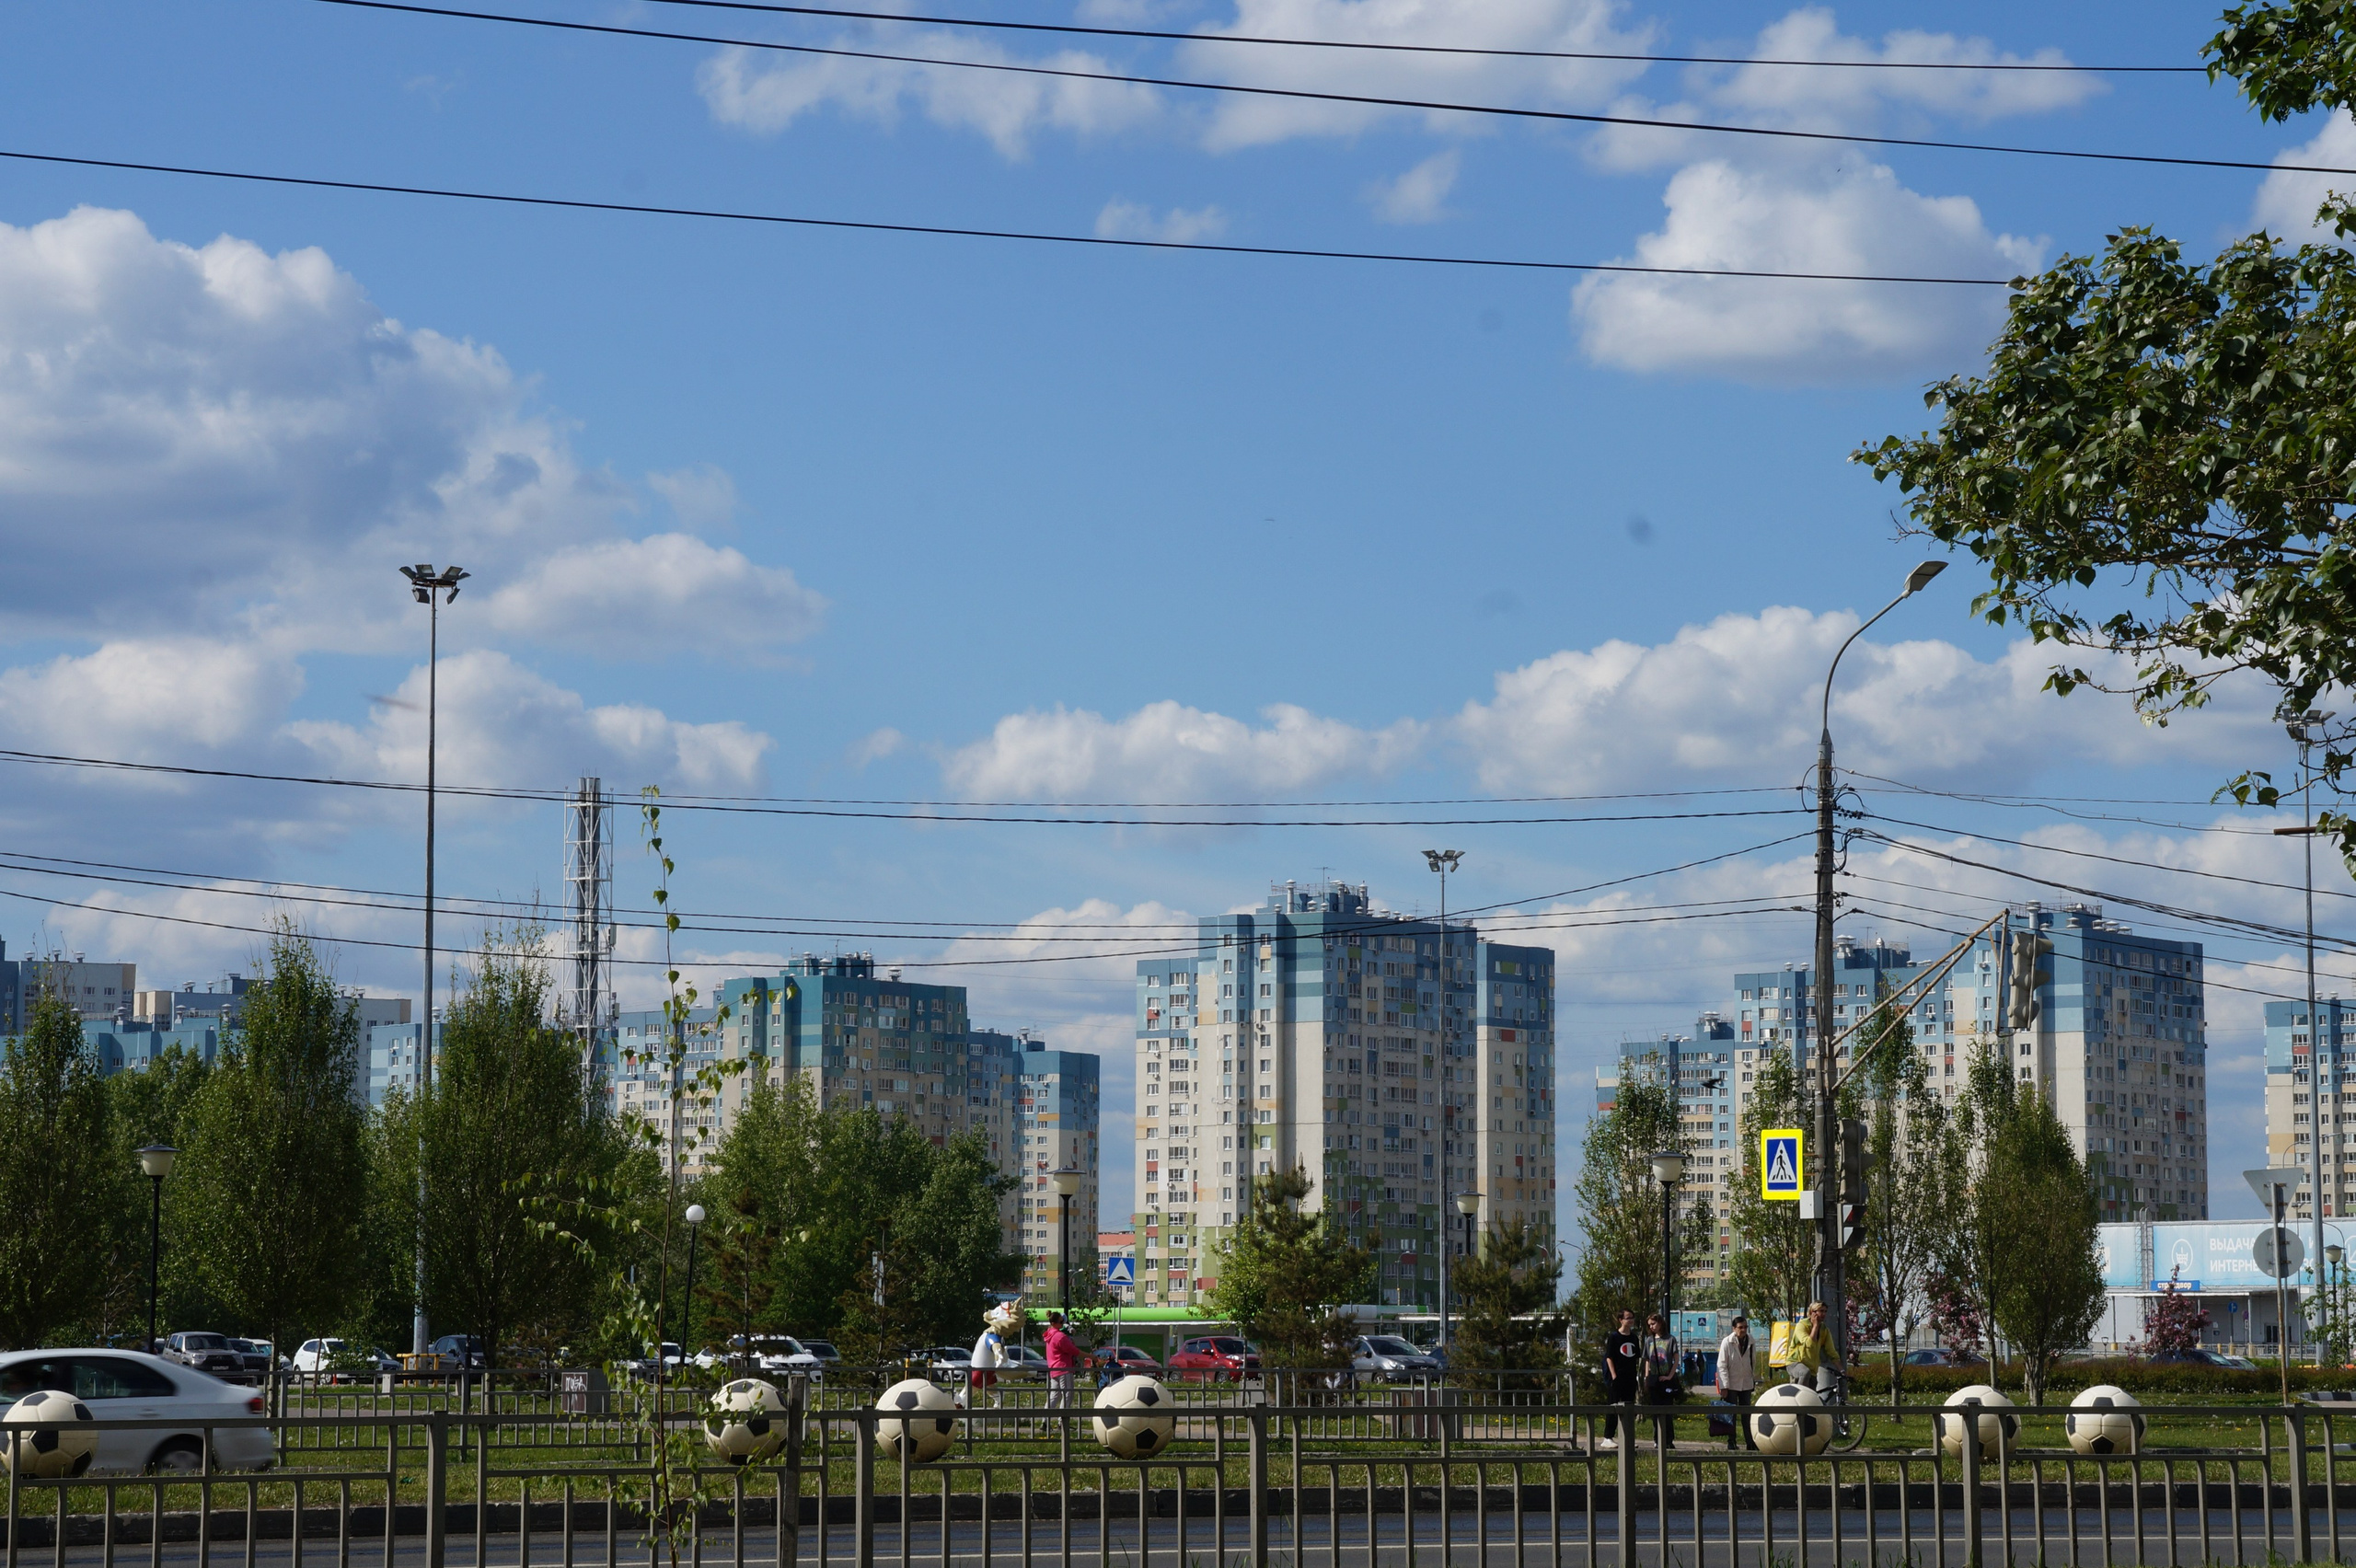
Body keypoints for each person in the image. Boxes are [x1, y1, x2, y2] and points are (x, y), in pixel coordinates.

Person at [1599, 1308, 1641, 1449]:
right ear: (1621, 1320)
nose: (1631, 1320)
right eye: (1628, 1318)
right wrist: (1614, 1375)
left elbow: (1636, 1357)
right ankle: (1608, 1437)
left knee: (1629, 1408)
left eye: (1632, 1317)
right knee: (1613, 1407)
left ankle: (1627, 1437)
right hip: (1617, 1378)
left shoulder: (1634, 1338)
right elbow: (1609, 1357)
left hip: (1630, 1378)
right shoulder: (1614, 1337)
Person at [1639, 1313, 1681, 1448]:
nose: (1651, 1327)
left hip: (1666, 1377)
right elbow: (1646, 1359)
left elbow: (1676, 1359)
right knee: (1655, 1411)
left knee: (1667, 1410)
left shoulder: (1670, 1339)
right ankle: (1657, 1438)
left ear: (1660, 1323)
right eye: (1649, 1325)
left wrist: (1670, 1375)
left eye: (1653, 1324)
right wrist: (1647, 1377)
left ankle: (1669, 1439)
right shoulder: (1649, 1340)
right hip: (1653, 1378)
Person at [1784, 1300, 1843, 1395]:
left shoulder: (1824, 1331)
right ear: (1813, 1313)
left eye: (1825, 1311)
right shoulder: (1802, 1325)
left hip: (1812, 1369)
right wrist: (1815, 1326)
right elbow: (1809, 1344)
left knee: (1812, 1398)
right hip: (1795, 1363)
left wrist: (1842, 1371)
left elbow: (1831, 1352)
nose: (1824, 1314)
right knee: (1804, 1373)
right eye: (1821, 1311)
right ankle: (1799, 1398)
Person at [1715, 1316, 1758, 1450]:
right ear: (1734, 1329)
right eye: (1740, 1327)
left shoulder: (1751, 1341)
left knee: (1747, 1414)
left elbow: (1753, 1361)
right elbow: (1721, 1365)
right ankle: (1731, 1441)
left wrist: (1752, 1380)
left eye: (1745, 1327)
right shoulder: (1727, 1342)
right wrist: (1724, 1386)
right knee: (1731, 1414)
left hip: (1746, 1383)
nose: (1743, 1330)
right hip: (1731, 1384)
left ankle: (1750, 1442)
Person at [1042, 1312, 1080, 1410]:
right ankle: (1063, 1421)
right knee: (1068, 1394)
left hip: (1054, 1369)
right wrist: (1091, 1357)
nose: (1063, 1323)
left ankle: (1045, 1420)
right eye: (1060, 1321)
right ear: (1054, 1323)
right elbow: (1074, 1351)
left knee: (1054, 1395)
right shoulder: (1060, 1336)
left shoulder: (1049, 1334)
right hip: (1064, 1368)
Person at [969, 1317, 1005, 1408]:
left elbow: (995, 1345)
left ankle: (959, 1405)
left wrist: (998, 1352)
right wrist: (998, 1352)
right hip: (982, 1370)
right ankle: (999, 1400)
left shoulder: (990, 1335)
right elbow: (995, 1344)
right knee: (987, 1388)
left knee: (970, 1392)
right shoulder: (990, 1335)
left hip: (982, 1370)